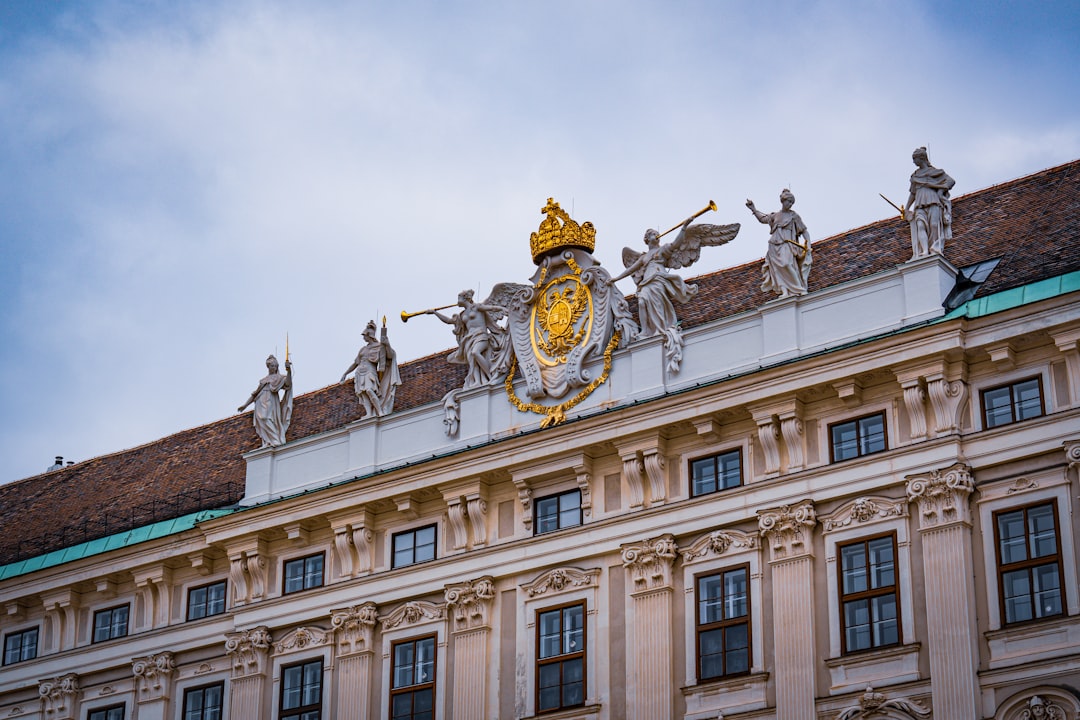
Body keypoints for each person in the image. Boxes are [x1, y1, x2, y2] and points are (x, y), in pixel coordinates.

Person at [613, 220, 698, 338]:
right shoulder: (644, 257)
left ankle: (660, 328)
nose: (657, 236)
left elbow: (675, 244)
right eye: (653, 234)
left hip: (658, 279)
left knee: (657, 304)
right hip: (646, 282)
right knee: (642, 302)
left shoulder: (662, 249)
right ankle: (646, 331)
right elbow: (631, 270)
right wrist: (615, 279)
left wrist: (684, 228)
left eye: (657, 234)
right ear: (647, 239)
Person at [433, 290, 510, 389]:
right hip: (469, 339)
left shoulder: (476, 307)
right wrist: (435, 313)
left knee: (475, 352)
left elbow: (491, 308)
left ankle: (490, 376)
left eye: (459, 298)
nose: (457, 301)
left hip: (481, 335)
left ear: (465, 298)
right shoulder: (462, 315)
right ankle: (477, 382)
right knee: (473, 363)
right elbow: (448, 321)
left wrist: (502, 309)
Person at [747, 189, 812, 298]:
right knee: (777, 269)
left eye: (792, 202)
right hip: (774, 245)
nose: (790, 204)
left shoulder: (793, 216)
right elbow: (762, 219)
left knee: (786, 264)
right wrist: (753, 209)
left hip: (787, 244)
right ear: (783, 201)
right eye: (789, 201)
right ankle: (784, 291)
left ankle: (799, 289)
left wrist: (808, 245)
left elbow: (804, 230)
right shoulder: (775, 215)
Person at [340, 319, 401, 418]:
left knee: (369, 390)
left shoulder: (379, 346)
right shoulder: (363, 349)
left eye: (365, 335)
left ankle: (379, 411)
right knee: (363, 394)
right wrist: (345, 373)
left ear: (370, 336)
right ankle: (369, 414)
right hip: (359, 372)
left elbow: (389, 356)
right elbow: (355, 363)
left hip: (369, 371)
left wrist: (386, 344)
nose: (364, 338)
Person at [904, 147, 955, 259]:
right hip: (919, 203)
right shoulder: (914, 176)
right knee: (920, 226)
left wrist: (941, 190)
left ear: (921, 158)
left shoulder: (935, 172)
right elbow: (913, 193)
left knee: (934, 225)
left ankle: (935, 249)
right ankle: (925, 251)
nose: (913, 162)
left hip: (933, 201)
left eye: (914, 159)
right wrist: (907, 208)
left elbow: (951, 181)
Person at [238, 355, 293, 447]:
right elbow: (254, 394)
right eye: (272, 366)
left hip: (271, 400)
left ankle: (275, 439)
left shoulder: (279, 378)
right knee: (262, 419)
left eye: (275, 366)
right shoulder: (263, 380)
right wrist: (245, 405)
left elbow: (288, 384)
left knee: (266, 418)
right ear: (268, 367)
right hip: (260, 401)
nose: (274, 368)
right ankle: (268, 440)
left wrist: (289, 371)